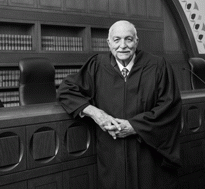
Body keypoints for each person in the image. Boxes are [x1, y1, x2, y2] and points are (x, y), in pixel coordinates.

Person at [57, 20, 182, 189]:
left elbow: (170, 107)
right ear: (109, 43)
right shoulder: (97, 66)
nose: (122, 45)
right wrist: (95, 113)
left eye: (128, 39)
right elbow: (66, 90)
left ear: (136, 42)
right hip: (111, 152)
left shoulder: (158, 66)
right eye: (117, 40)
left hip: (147, 154)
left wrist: (134, 126)